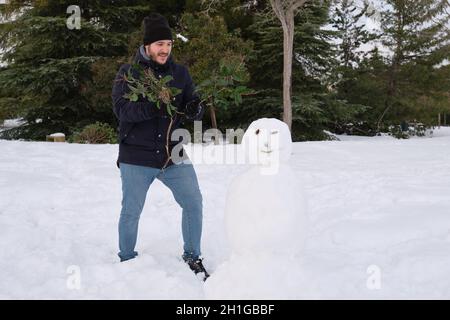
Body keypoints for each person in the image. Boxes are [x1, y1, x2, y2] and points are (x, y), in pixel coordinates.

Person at [111, 13, 209, 280]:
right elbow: (122, 110)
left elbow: (194, 107)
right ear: (147, 46)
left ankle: (192, 256)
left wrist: (194, 109)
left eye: (168, 44)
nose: (165, 49)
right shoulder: (128, 74)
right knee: (131, 210)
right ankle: (127, 259)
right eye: (159, 44)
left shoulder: (180, 74)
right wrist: (154, 106)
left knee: (194, 203)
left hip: (173, 155)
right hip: (136, 156)